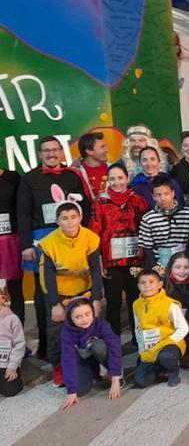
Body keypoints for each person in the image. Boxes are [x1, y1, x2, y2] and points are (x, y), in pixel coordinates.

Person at [18, 136, 91, 357]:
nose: (51, 154)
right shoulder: (28, 179)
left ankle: (79, 339)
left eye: (55, 150)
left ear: (61, 152)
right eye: (46, 151)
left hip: (71, 237)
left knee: (75, 287)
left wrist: (83, 238)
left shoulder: (72, 176)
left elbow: (85, 208)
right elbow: (22, 213)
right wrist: (25, 245)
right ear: (40, 154)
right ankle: (46, 346)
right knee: (44, 292)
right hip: (41, 239)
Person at [39, 197, 104, 386]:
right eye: (64, 218)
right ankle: (58, 368)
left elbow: (95, 271)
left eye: (73, 217)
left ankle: (93, 367)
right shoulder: (49, 243)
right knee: (56, 333)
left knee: (89, 330)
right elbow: (48, 277)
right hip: (59, 294)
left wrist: (97, 299)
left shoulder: (90, 238)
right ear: (57, 220)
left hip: (84, 291)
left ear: (80, 218)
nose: (69, 221)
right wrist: (54, 304)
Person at [90, 164, 150, 339]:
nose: (117, 182)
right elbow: (94, 235)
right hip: (111, 262)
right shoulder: (100, 203)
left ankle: (138, 338)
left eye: (120, 178)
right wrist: (98, 261)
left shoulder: (138, 201)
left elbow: (146, 229)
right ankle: (112, 340)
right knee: (113, 301)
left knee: (136, 300)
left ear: (127, 178)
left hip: (135, 261)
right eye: (112, 179)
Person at [59, 298, 122, 410]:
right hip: (83, 359)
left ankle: (112, 372)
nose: (84, 319)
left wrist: (115, 376)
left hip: (100, 352)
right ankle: (93, 372)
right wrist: (71, 390)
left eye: (87, 314)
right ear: (71, 319)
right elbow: (68, 360)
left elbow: (114, 347)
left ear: (93, 312)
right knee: (80, 390)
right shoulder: (66, 332)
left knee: (99, 346)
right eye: (78, 317)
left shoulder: (101, 324)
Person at [131, 269, 188, 387]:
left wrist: (168, 341)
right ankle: (159, 369)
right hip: (149, 346)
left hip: (169, 344)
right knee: (140, 382)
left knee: (166, 356)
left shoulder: (170, 304)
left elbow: (183, 328)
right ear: (138, 286)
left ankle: (173, 372)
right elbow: (138, 328)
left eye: (151, 282)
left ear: (160, 284)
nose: (147, 286)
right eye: (143, 283)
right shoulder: (136, 304)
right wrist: (142, 349)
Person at [138, 177, 189, 271]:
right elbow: (148, 250)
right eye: (158, 195)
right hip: (161, 267)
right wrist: (156, 271)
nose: (163, 198)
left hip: (184, 266)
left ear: (173, 193)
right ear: (153, 196)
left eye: (166, 194)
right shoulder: (148, 219)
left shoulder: (188, 214)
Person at [0, 163, 23, 324]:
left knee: (15, 290)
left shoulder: (13, 177)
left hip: (12, 240)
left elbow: (22, 206)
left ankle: (18, 335)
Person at [0, 281, 25, 397]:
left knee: (10, 390)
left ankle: (15, 374)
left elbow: (19, 344)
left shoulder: (12, 319)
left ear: (2, 298)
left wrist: (13, 366)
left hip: (6, 363)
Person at [70, 131, 109, 201]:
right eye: (102, 147)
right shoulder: (75, 174)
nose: (107, 150)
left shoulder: (113, 169)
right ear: (89, 151)